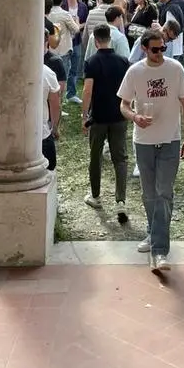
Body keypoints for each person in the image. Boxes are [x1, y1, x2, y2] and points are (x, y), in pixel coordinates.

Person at [117, 30, 184, 273]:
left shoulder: (175, 69)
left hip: (170, 140)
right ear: (144, 49)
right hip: (144, 141)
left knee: (164, 193)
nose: (160, 53)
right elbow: (124, 104)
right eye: (155, 49)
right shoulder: (135, 71)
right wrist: (134, 117)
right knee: (149, 194)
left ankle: (160, 251)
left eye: (163, 48)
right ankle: (152, 231)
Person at [81, 23, 129, 223]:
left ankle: (96, 195)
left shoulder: (91, 61)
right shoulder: (123, 61)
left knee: (96, 156)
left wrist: (84, 115)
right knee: (121, 158)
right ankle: (121, 200)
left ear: (95, 39)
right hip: (119, 115)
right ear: (110, 37)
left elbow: (87, 90)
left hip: (99, 116)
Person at [42, 27, 64, 170]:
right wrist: (54, 127)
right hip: (42, 130)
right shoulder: (47, 72)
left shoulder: (55, 61)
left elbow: (59, 94)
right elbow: (57, 100)